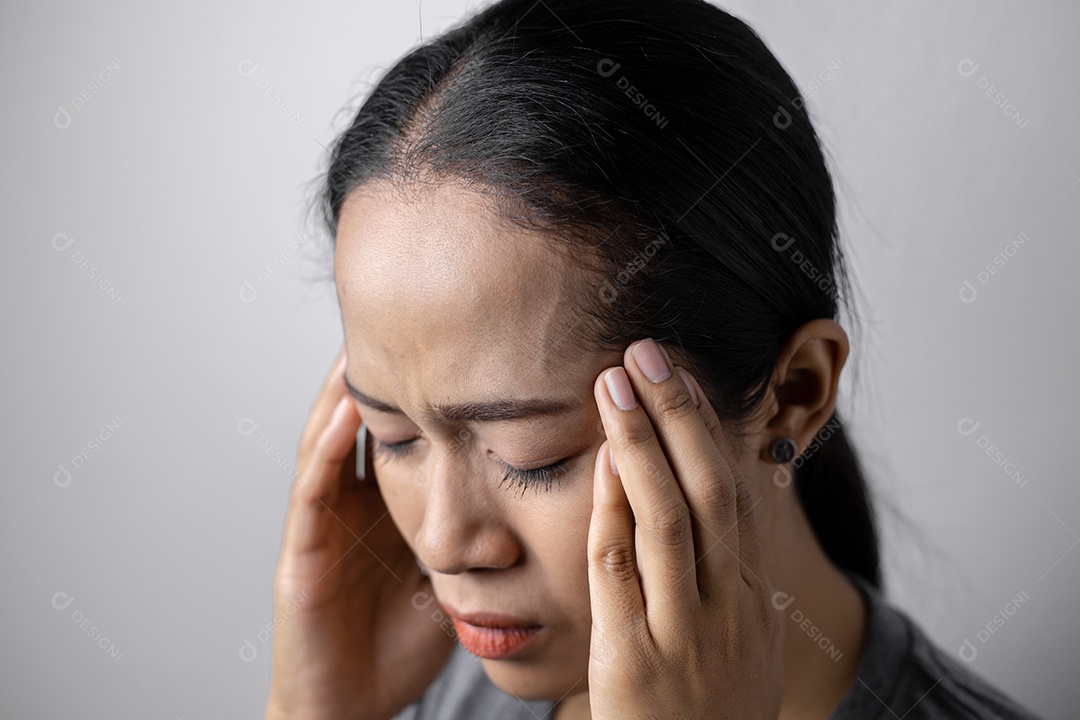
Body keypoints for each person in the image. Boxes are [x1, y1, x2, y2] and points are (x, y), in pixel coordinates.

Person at [264, 0, 1044, 718]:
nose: (440, 545)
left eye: (531, 457)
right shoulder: (424, 679)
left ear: (794, 395)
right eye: (392, 435)